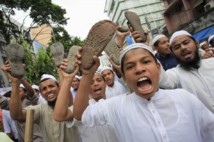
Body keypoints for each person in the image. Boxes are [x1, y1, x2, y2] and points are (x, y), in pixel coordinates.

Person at [73, 43, 214, 142]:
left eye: (146, 62)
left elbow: (210, 132)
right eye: (130, 67)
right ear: (125, 77)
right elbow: (81, 115)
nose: (139, 69)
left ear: (158, 68)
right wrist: (87, 74)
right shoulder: (116, 106)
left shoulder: (184, 97)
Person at [3, 61, 80, 141]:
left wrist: (64, 76)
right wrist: (15, 82)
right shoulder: (40, 110)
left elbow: (68, 98)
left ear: (59, 88)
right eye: (44, 89)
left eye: (51, 86)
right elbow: (17, 116)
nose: (48, 90)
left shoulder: (70, 106)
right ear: (41, 94)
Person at [53, 60, 118, 142]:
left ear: (105, 83)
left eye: (99, 80)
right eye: (91, 82)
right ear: (86, 86)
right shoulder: (82, 109)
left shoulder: (115, 103)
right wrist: (67, 79)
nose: (96, 84)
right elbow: (59, 116)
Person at [156, 30, 214, 113]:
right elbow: (163, 80)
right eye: (177, 47)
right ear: (173, 53)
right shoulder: (176, 74)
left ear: (196, 44)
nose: (183, 48)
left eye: (186, 43)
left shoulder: (212, 62)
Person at [1, 62, 43, 142]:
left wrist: (20, 78)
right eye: (15, 91)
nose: (16, 93)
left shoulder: (29, 101)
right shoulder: (13, 104)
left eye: (19, 91)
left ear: (25, 93)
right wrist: (13, 80)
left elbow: (31, 91)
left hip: (37, 139)